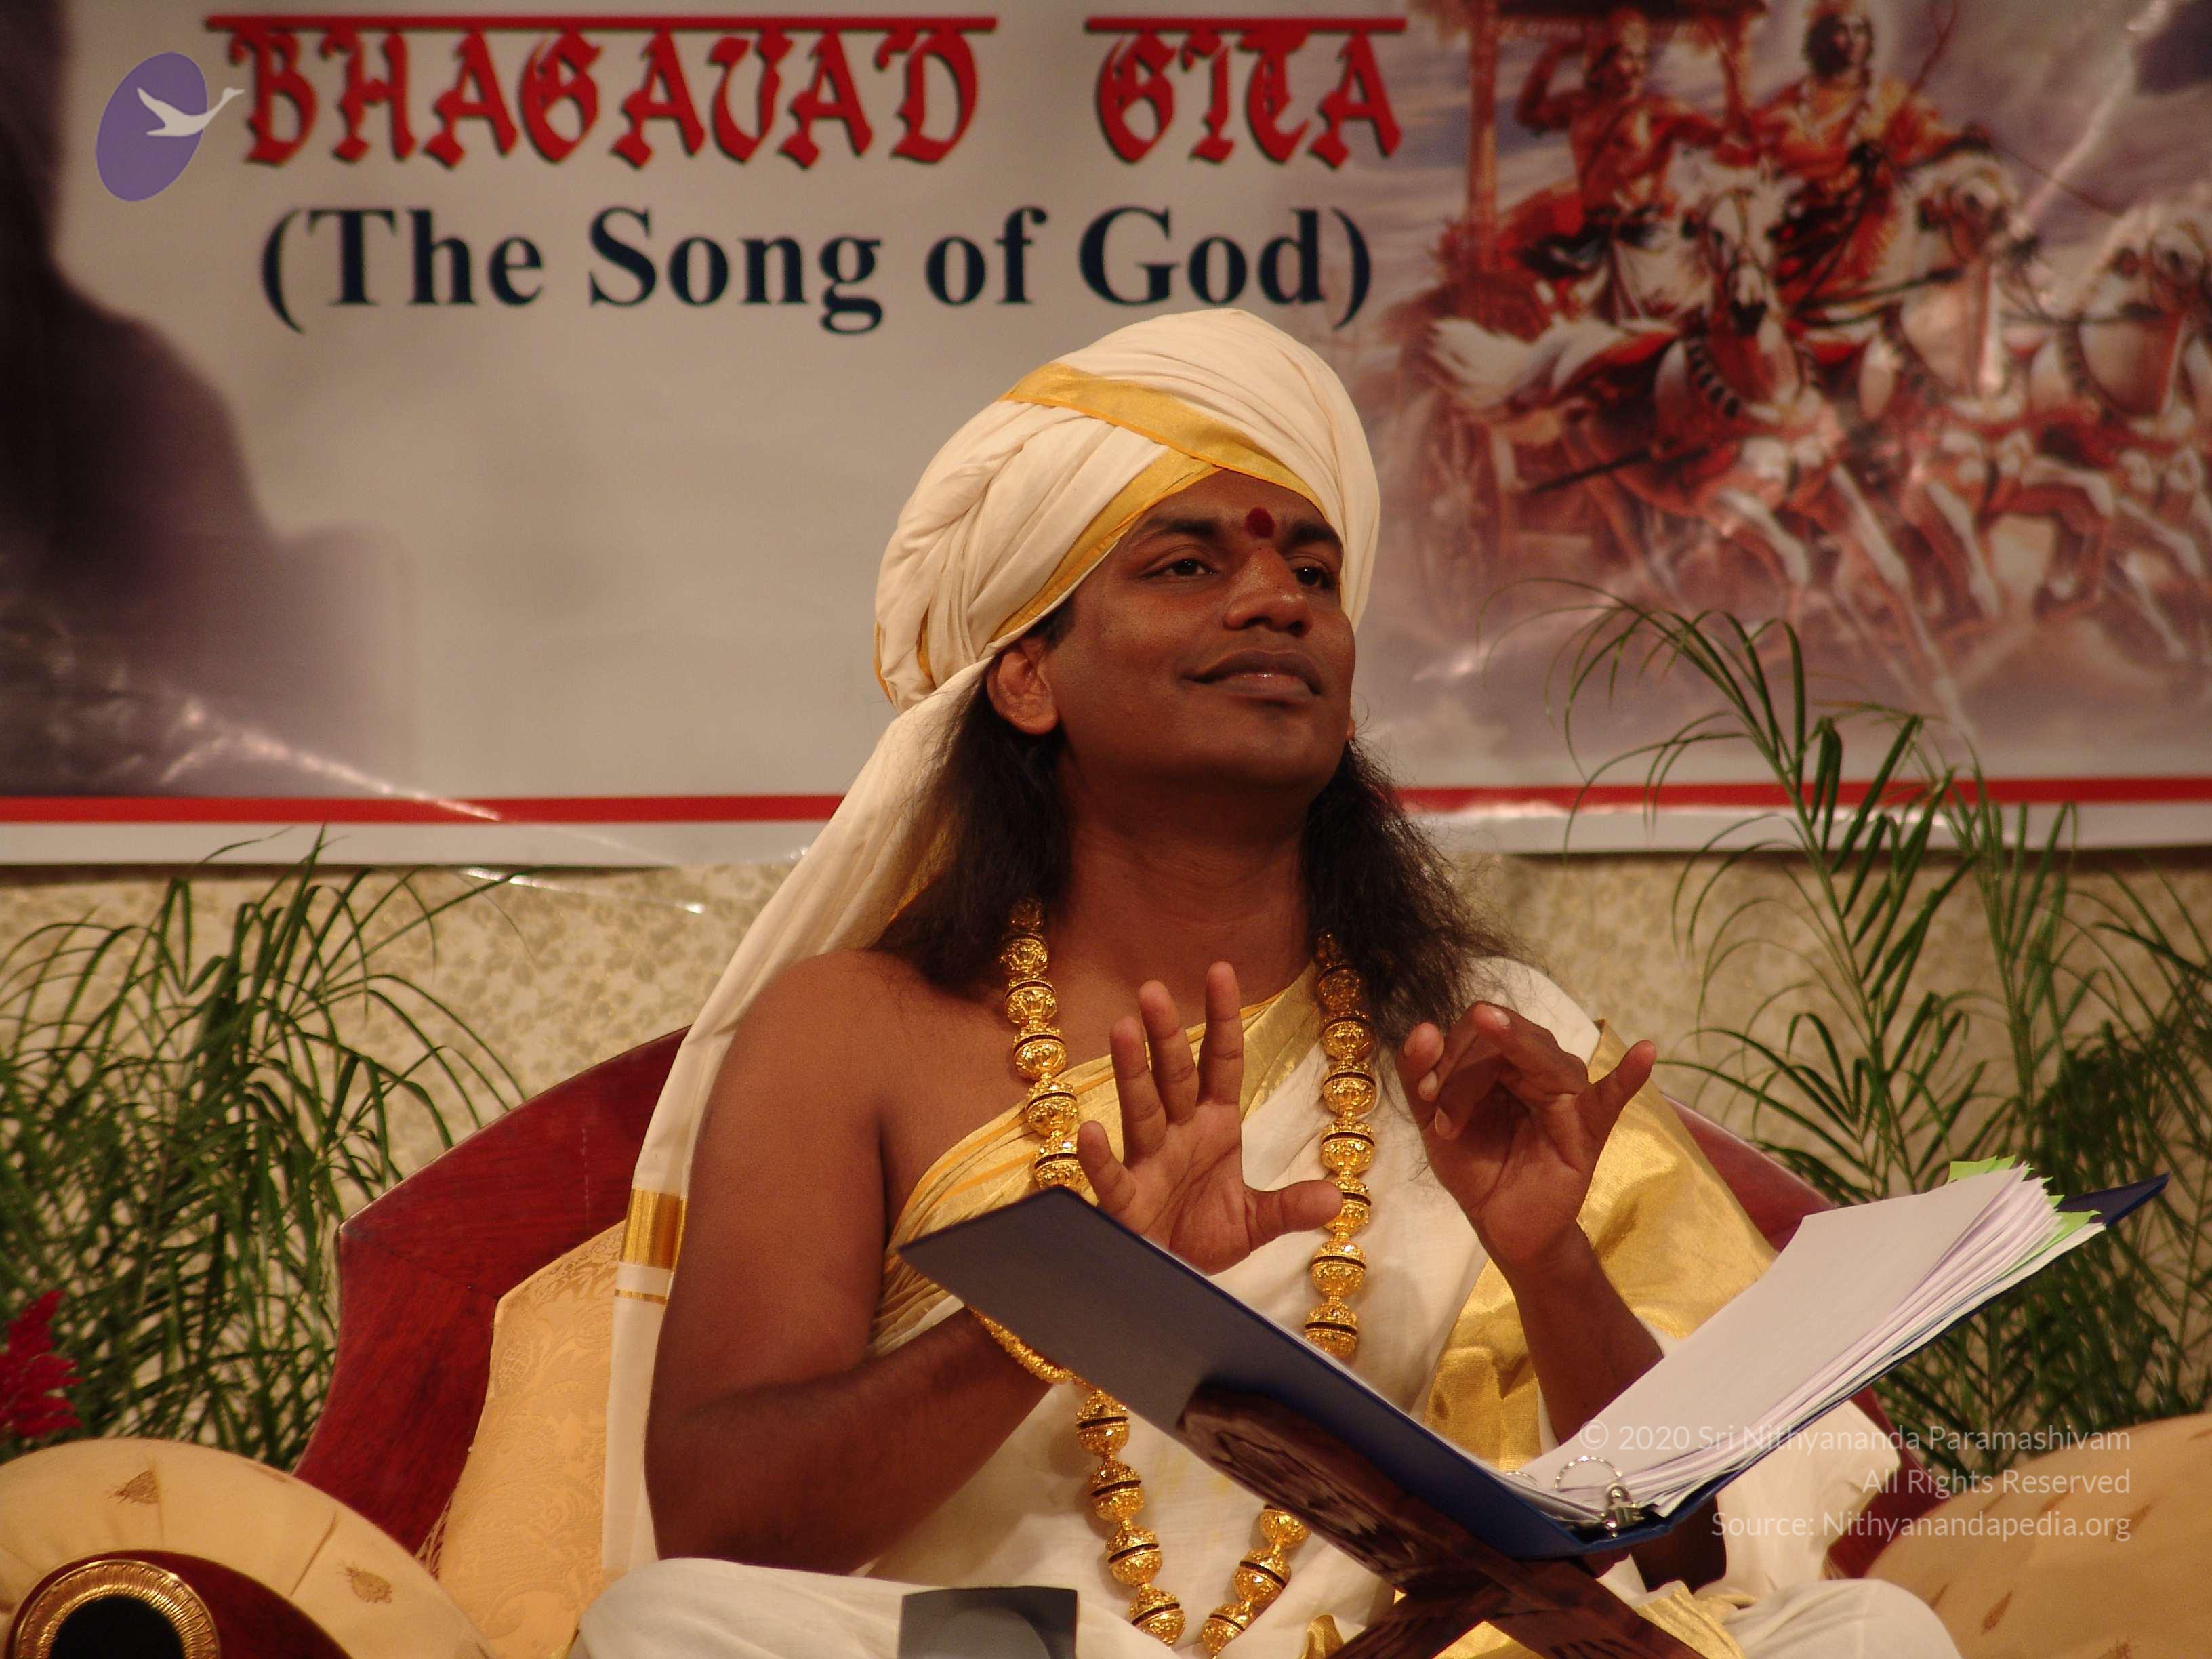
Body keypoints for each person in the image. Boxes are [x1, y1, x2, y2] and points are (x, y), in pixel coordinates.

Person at [578, 310, 1959, 1659]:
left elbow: (1694, 1563)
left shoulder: (1487, 1037)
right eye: (1186, 565)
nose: (1275, 599)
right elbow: (716, 1523)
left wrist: (1550, 1266)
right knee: (664, 1630)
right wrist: (1073, 1295)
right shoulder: (856, 1029)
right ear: (1027, 679)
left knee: (1871, 1634)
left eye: (1311, 570)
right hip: (1019, 1653)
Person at [1499, 9, 1750, 322]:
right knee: (1544, 302)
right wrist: (1553, 55)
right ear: (1601, 64)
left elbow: (1729, 136)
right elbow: (1528, 114)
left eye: (1641, 58)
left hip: (1645, 241)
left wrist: (1733, 79)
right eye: (1627, 57)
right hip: (1592, 240)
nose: (1637, 67)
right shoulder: (1579, 106)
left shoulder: (1660, 110)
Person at [1749, 0, 1986, 308]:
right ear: (1819, 39)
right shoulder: (1794, 99)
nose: (1851, 40)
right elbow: (1790, 151)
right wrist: (1848, 157)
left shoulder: (1891, 94)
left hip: (1878, 228)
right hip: (1809, 231)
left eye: (1859, 30)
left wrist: (1959, 139)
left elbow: (1927, 134)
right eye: (1841, 30)